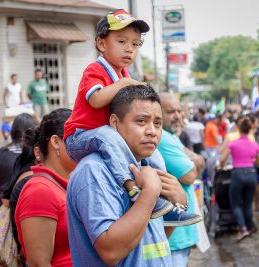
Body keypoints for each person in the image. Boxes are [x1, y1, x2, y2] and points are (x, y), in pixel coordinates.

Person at [64, 9, 196, 224]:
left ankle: (166, 202)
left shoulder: (122, 73)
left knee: (156, 156)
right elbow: (96, 100)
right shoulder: (95, 70)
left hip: (108, 135)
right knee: (108, 136)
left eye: (135, 44)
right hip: (80, 136)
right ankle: (133, 189)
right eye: (122, 41)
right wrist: (125, 84)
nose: (129, 49)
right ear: (102, 44)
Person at [67, 85, 187, 266]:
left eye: (157, 123)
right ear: (115, 123)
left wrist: (177, 204)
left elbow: (154, 236)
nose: (152, 131)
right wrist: (150, 193)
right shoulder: (94, 171)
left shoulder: (147, 166)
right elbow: (111, 251)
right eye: (141, 121)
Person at [15, 109, 75, 266]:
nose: (86, 145)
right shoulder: (40, 191)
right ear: (56, 142)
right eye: (78, 137)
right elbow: (39, 263)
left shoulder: (63, 186)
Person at [157, 93, 205, 267]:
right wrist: (194, 161)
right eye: (170, 111)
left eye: (179, 110)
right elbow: (190, 174)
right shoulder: (161, 137)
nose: (177, 115)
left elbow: (198, 160)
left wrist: (194, 160)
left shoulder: (172, 136)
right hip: (173, 237)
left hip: (179, 231)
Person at [0, 113, 37, 232]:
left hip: (2, 213)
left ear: (13, 130)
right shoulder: (38, 155)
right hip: (30, 213)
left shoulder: (1, 154)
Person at [220, 117, 259, 241]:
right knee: (248, 203)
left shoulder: (233, 144)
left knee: (237, 204)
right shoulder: (254, 144)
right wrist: (250, 160)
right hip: (251, 174)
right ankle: (250, 227)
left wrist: (221, 166)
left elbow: (222, 160)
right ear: (250, 129)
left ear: (239, 128)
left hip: (237, 174)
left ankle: (243, 229)